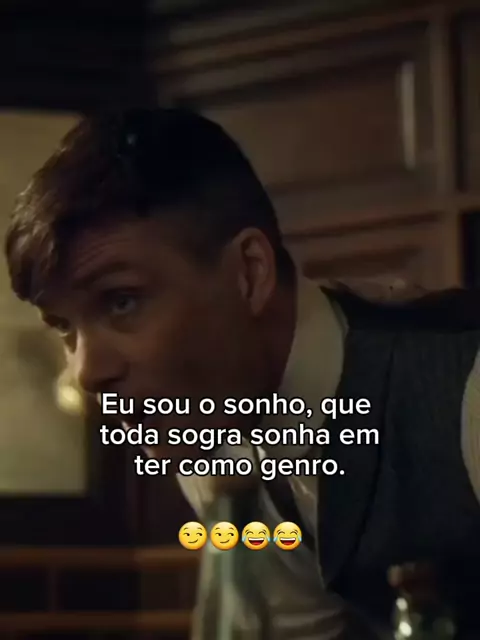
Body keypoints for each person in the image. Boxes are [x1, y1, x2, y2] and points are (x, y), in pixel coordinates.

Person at [4, 108, 480, 640]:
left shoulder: (464, 394)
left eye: (121, 301)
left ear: (249, 273)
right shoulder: (212, 435)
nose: (86, 373)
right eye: (64, 327)